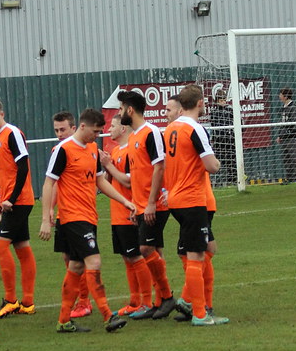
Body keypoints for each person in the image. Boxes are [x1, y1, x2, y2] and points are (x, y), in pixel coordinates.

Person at [38, 108, 134, 334]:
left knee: (76, 266)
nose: (98, 136)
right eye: (96, 131)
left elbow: (100, 181)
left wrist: (125, 201)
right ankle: (107, 315)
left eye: (101, 132)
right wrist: (45, 217)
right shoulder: (63, 150)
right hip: (72, 218)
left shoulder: (92, 149)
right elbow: (48, 183)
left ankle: (63, 321)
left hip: (89, 216)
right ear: (82, 126)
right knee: (94, 262)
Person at [163, 85, 228, 326]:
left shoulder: (171, 128)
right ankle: (199, 312)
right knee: (197, 254)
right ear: (200, 103)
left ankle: (196, 304)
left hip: (176, 198)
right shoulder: (195, 129)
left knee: (206, 249)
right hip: (192, 198)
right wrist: (219, 164)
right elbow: (210, 165)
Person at [117, 89, 177, 320]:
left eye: (121, 108)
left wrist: (151, 203)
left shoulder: (151, 132)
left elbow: (159, 167)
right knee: (155, 251)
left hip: (154, 206)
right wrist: (135, 205)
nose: (120, 112)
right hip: (141, 205)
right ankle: (159, 301)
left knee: (145, 250)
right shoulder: (133, 137)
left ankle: (167, 297)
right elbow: (138, 176)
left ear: (130, 110)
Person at [0, 97, 37, 319]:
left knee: (0, 246)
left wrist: (12, 198)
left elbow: (23, 167)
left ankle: (10, 300)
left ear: (1, 114)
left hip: (19, 201)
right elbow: (8, 172)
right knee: (22, 248)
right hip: (12, 200)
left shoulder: (12, 133)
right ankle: (28, 302)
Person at [98, 117, 151, 317]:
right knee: (127, 257)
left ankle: (146, 301)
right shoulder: (115, 152)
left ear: (123, 127)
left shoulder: (130, 150)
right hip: (116, 214)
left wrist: (109, 166)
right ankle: (135, 301)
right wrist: (106, 167)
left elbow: (129, 183)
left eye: (112, 125)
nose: (108, 129)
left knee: (135, 256)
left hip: (130, 212)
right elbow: (110, 183)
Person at [50, 110, 92, 317]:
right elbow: (56, 183)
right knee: (68, 257)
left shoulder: (88, 148)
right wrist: (50, 208)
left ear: (74, 128)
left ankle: (84, 301)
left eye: (63, 129)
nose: (60, 134)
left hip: (81, 214)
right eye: (56, 130)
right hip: (64, 215)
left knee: (80, 259)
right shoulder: (58, 150)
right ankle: (77, 299)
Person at [208, 88, 236, 185]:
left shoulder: (230, 110)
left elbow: (237, 122)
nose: (223, 102)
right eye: (221, 100)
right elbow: (214, 124)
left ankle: (233, 180)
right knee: (217, 160)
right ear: (217, 101)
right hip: (219, 139)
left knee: (231, 160)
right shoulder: (214, 111)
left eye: (224, 100)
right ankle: (216, 182)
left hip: (229, 139)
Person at [276, 88, 296, 184]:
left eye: (280, 94)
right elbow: (282, 123)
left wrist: (287, 132)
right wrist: (280, 135)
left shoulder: (293, 107)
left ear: (285, 96)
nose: (279, 96)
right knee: (286, 158)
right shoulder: (284, 107)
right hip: (284, 137)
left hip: (291, 136)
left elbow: (293, 123)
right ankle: (289, 178)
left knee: (293, 158)